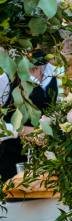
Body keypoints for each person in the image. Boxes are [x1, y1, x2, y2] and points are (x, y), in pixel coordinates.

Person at [0, 52, 59, 180]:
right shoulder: (6, 76)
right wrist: (22, 131)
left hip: (45, 163)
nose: (37, 46)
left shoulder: (52, 72)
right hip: (11, 160)